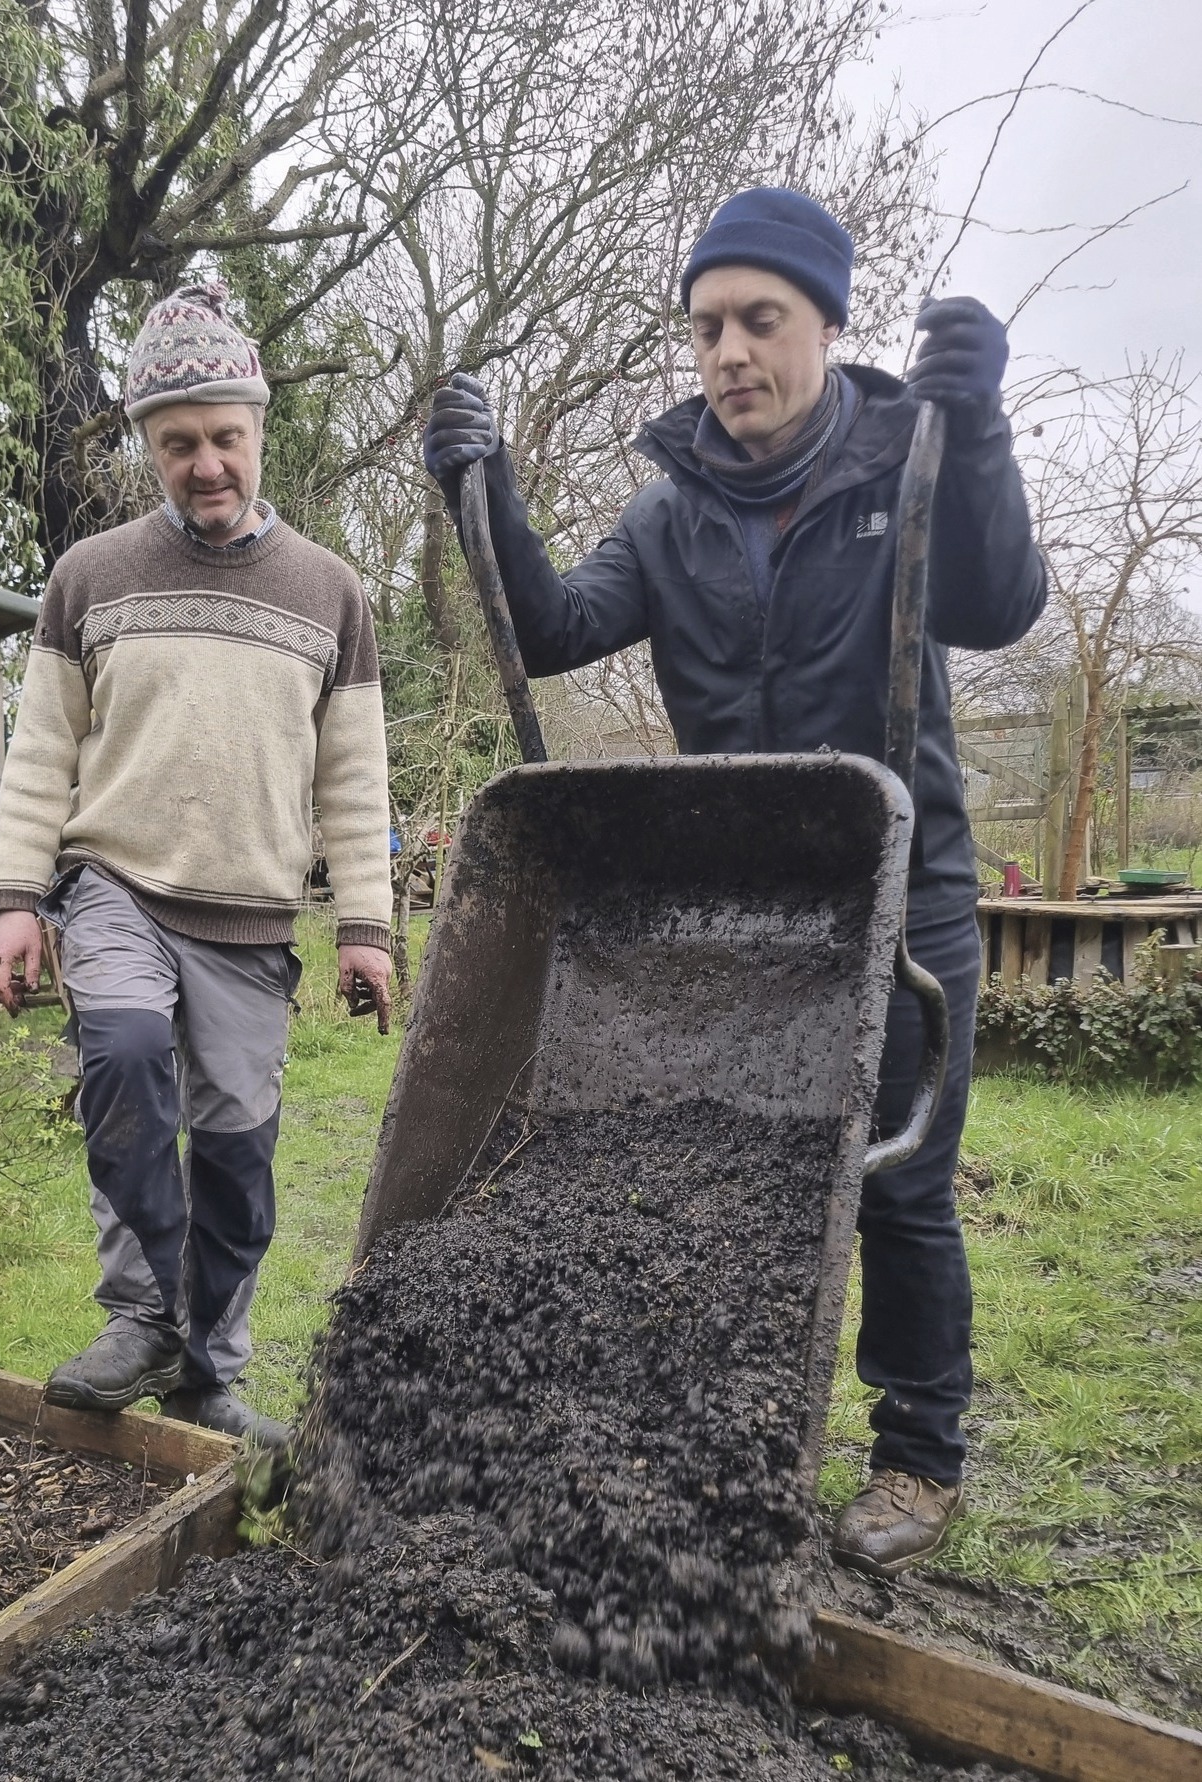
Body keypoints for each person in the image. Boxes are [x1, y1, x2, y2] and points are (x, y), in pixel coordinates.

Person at [422, 188, 1046, 1575]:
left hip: (899, 875)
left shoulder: (910, 464)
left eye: (759, 319)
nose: (728, 352)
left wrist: (982, 425)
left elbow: (998, 605)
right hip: (747, 895)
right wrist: (479, 492)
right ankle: (730, 1422)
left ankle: (916, 1452)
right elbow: (552, 624)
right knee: (735, 1173)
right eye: (706, 326)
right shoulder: (669, 516)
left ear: (825, 323)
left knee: (897, 1172)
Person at [0, 282, 394, 1438]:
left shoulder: (330, 593)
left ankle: (209, 1370)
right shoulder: (91, 578)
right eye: (178, 443)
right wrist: (18, 901)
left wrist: (364, 925)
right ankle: (141, 1317)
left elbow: (353, 784)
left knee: (236, 1160)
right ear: (147, 447)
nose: (205, 464)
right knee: (116, 1052)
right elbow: (40, 755)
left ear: (258, 431)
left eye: (224, 437)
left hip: (255, 919)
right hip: (117, 885)